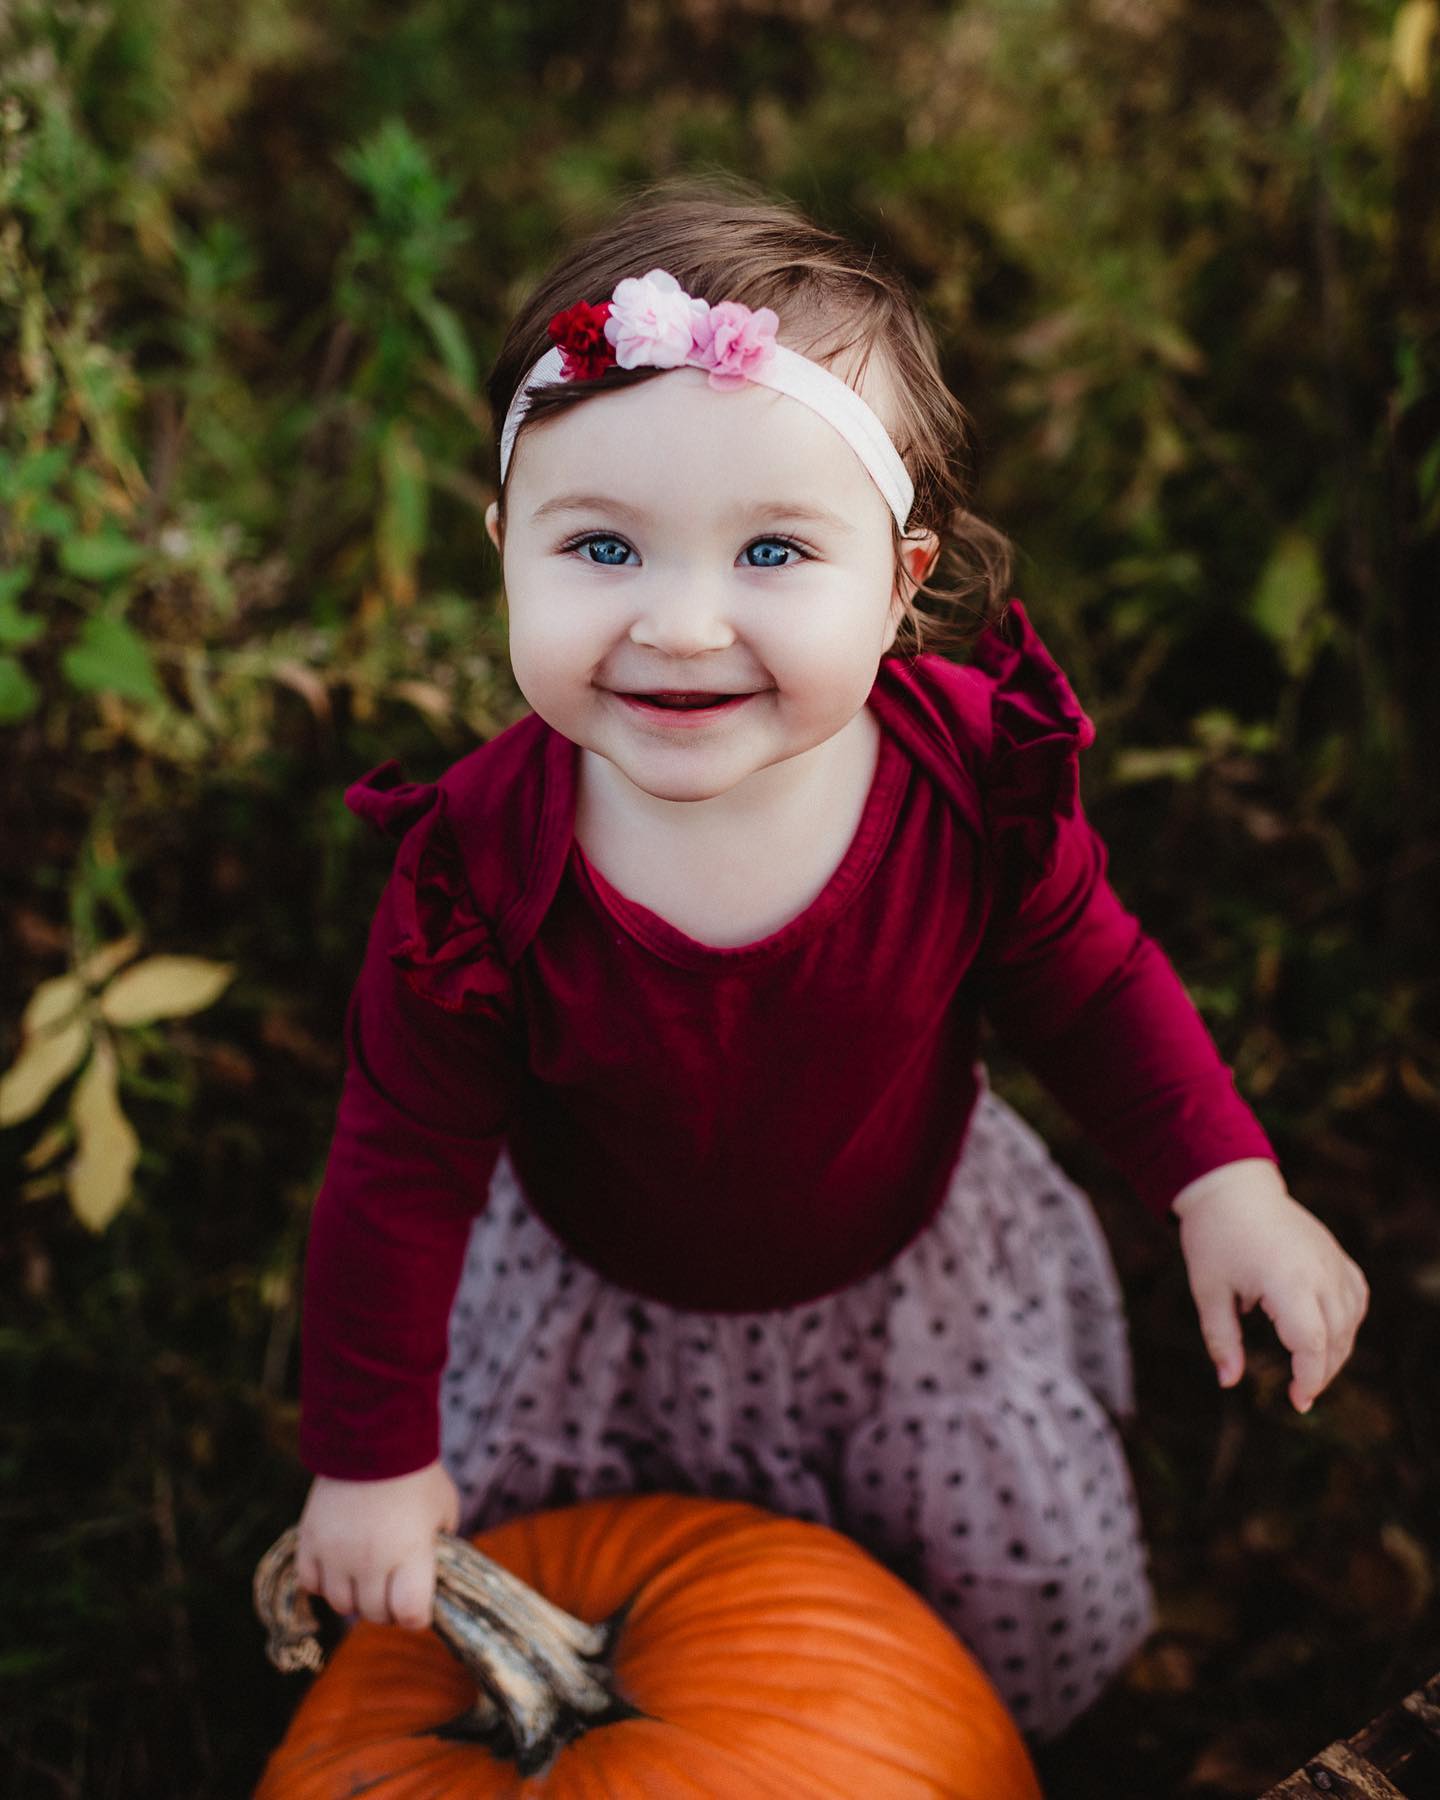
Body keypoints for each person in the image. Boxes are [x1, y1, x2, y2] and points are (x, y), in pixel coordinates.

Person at [293, 175, 1369, 1741]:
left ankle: (934, 1742)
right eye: (601, 548)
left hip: (907, 1278)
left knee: (956, 1634)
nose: (679, 623)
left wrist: (1225, 1181)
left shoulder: (965, 789)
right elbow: (400, 1160)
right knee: (618, 1616)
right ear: (502, 546)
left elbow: (1091, 976)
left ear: (901, 579)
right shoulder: (478, 874)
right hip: (610, 1293)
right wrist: (373, 1456)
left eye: (775, 555)